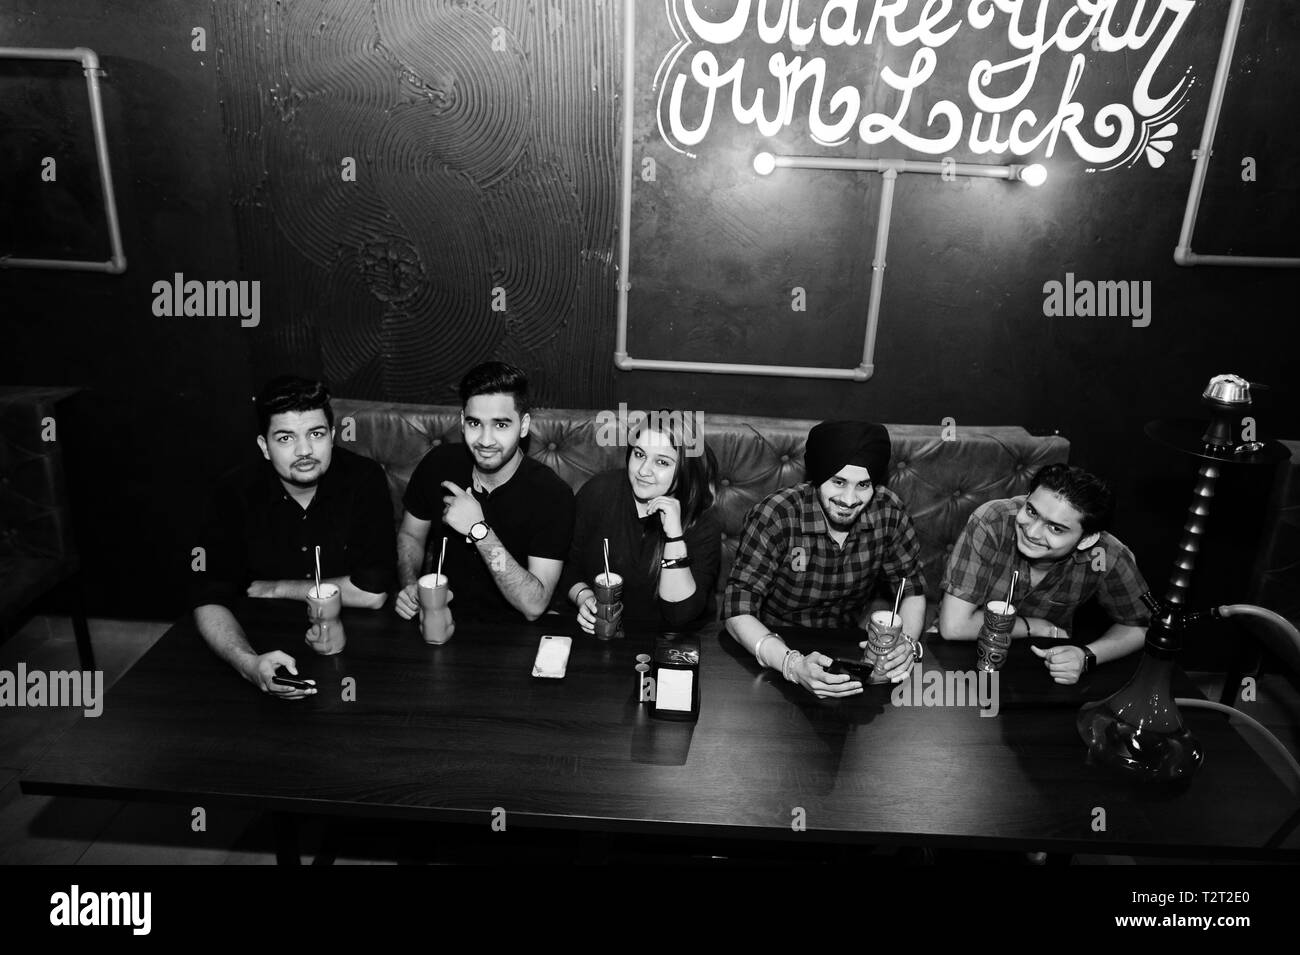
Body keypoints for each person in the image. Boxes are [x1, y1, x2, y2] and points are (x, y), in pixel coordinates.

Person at [192, 376, 397, 698]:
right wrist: (248, 664)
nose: (304, 451)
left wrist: (275, 587)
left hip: (358, 645)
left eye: (315, 434)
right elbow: (208, 598)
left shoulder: (363, 479)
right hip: (259, 640)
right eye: (285, 438)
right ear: (264, 446)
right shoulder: (233, 492)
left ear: (331, 436)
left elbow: (372, 593)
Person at [723, 421, 927, 698]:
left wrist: (905, 646)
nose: (849, 499)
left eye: (863, 485)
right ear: (819, 476)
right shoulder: (777, 515)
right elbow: (737, 610)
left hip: (849, 646)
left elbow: (912, 589)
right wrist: (791, 664)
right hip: (773, 643)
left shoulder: (888, 512)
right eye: (839, 482)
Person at [395, 361, 575, 624]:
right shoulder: (438, 464)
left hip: (512, 635)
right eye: (474, 423)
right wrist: (411, 585)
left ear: (523, 426)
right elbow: (411, 534)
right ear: (461, 421)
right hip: (440, 621)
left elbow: (534, 604)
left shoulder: (551, 494)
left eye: (501, 425)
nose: (485, 440)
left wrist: (479, 530)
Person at [938, 463, 1150, 684]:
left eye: (1055, 528)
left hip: (1045, 663)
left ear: (1087, 539)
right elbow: (955, 627)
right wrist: (1034, 626)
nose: (1031, 531)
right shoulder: (993, 521)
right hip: (964, 658)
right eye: (1031, 511)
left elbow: (1140, 626)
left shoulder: (1106, 555)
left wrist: (1086, 655)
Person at [562, 411, 721, 633]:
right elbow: (566, 567)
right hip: (597, 636)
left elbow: (679, 615)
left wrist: (674, 537)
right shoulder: (600, 491)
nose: (644, 470)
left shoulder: (701, 520)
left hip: (667, 642)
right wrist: (584, 596)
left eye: (662, 462)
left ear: (686, 468)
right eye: (639, 454)